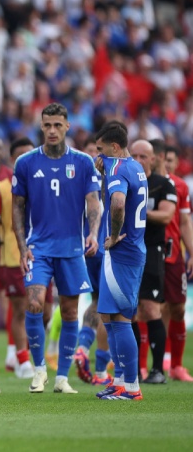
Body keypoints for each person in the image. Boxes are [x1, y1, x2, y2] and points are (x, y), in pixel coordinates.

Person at [12, 102, 101, 394]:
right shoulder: (26, 163)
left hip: (72, 248)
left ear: (67, 127)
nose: (52, 130)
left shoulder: (83, 162)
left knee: (70, 311)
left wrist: (93, 233)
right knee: (35, 303)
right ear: (41, 126)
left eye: (57, 125)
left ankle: (62, 378)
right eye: (47, 125)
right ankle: (39, 371)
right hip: (38, 247)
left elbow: (92, 202)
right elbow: (17, 207)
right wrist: (21, 243)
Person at [94, 121, 147, 400]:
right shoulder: (135, 167)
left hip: (122, 252)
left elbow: (117, 203)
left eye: (101, 150)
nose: (98, 156)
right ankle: (119, 382)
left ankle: (132, 387)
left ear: (114, 147)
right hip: (127, 252)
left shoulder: (117, 168)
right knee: (110, 318)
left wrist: (114, 236)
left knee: (122, 319)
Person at [0, 136, 36, 379]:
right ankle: (22, 358)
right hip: (12, 257)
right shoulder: (2, 189)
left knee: (44, 311)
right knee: (20, 308)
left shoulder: (46, 185)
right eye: (21, 155)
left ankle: (21, 353)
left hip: (43, 256)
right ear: (14, 160)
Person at [128, 139, 176, 384]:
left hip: (151, 250)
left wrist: (139, 212)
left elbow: (167, 215)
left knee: (150, 308)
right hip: (128, 252)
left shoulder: (162, 184)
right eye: (133, 155)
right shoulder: (125, 182)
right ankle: (134, 371)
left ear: (153, 158)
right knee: (131, 311)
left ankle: (157, 370)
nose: (137, 161)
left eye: (142, 156)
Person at [72, 138, 112, 386]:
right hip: (105, 247)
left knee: (97, 302)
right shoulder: (110, 176)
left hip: (83, 248)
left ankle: (83, 348)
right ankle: (100, 371)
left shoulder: (75, 176)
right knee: (110, 309)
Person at [161, 144, 193, 381]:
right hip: (151, 253)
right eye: (165, 160)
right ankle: (148, 363)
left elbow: (185, 223)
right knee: (149, 309)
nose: (168, 164)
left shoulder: (181, 186)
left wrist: (191, 252)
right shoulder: (148, 183)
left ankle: (177, 366)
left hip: (174, 257)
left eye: (171, 160)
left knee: (178, 308)